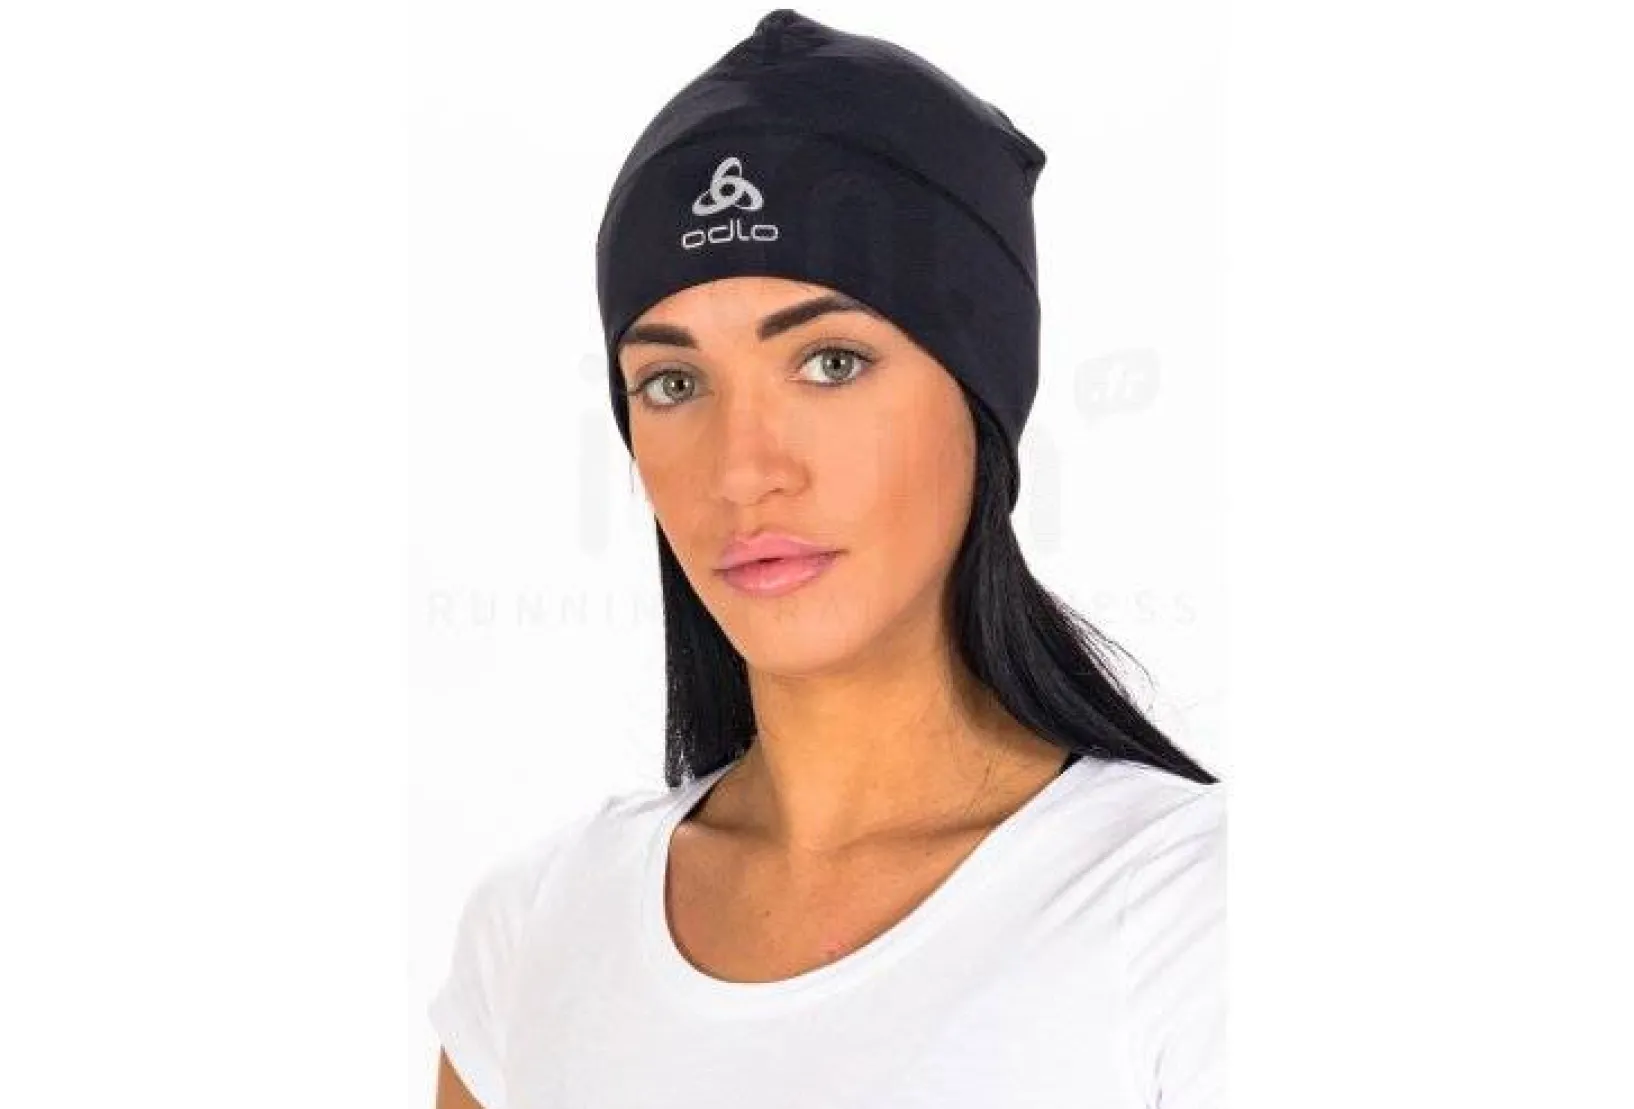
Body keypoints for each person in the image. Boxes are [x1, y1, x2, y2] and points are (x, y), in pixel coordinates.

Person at [428, 10, 1224, 1108]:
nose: (742, 470)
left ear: (980, 397)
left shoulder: (1191, 919)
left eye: (831, 362)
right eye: (673, 383)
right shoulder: (536, 931)